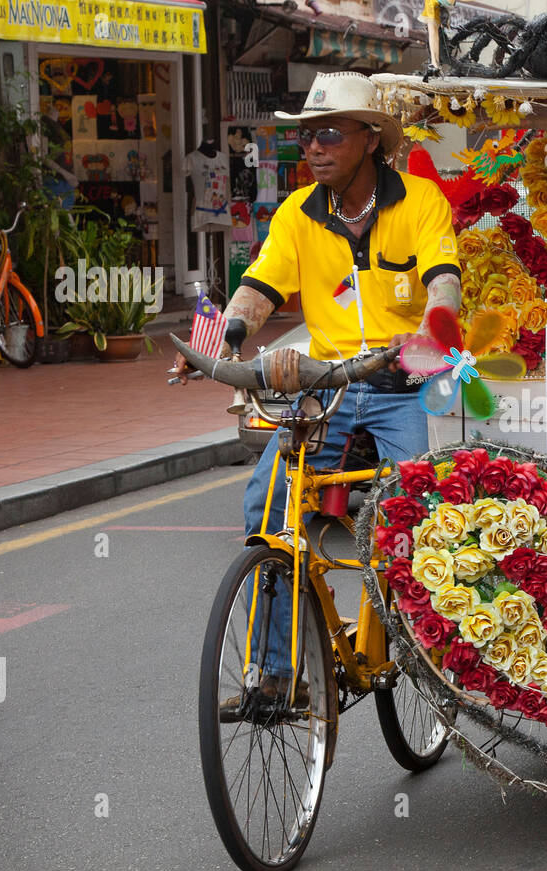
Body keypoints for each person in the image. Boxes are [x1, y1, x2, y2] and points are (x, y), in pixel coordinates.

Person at [171, 71, 461, 714]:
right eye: (307, 138)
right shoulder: (298, 214)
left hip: (403, 384)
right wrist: (225, 342)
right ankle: (275, 676)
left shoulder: (419, 202)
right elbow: (258, 285)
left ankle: (430, 637)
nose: (315, 148)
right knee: (267, 508)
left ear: (369, 140)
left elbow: (444, 281)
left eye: (329, 134)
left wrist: (433, 331)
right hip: (328, 388)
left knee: (418, 507)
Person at [419, 0, 484, 76]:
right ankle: (434, 62)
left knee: (435, 36)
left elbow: (446, 9)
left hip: (436, 9)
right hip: (431, 5)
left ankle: (435, 62)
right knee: (433, 35)